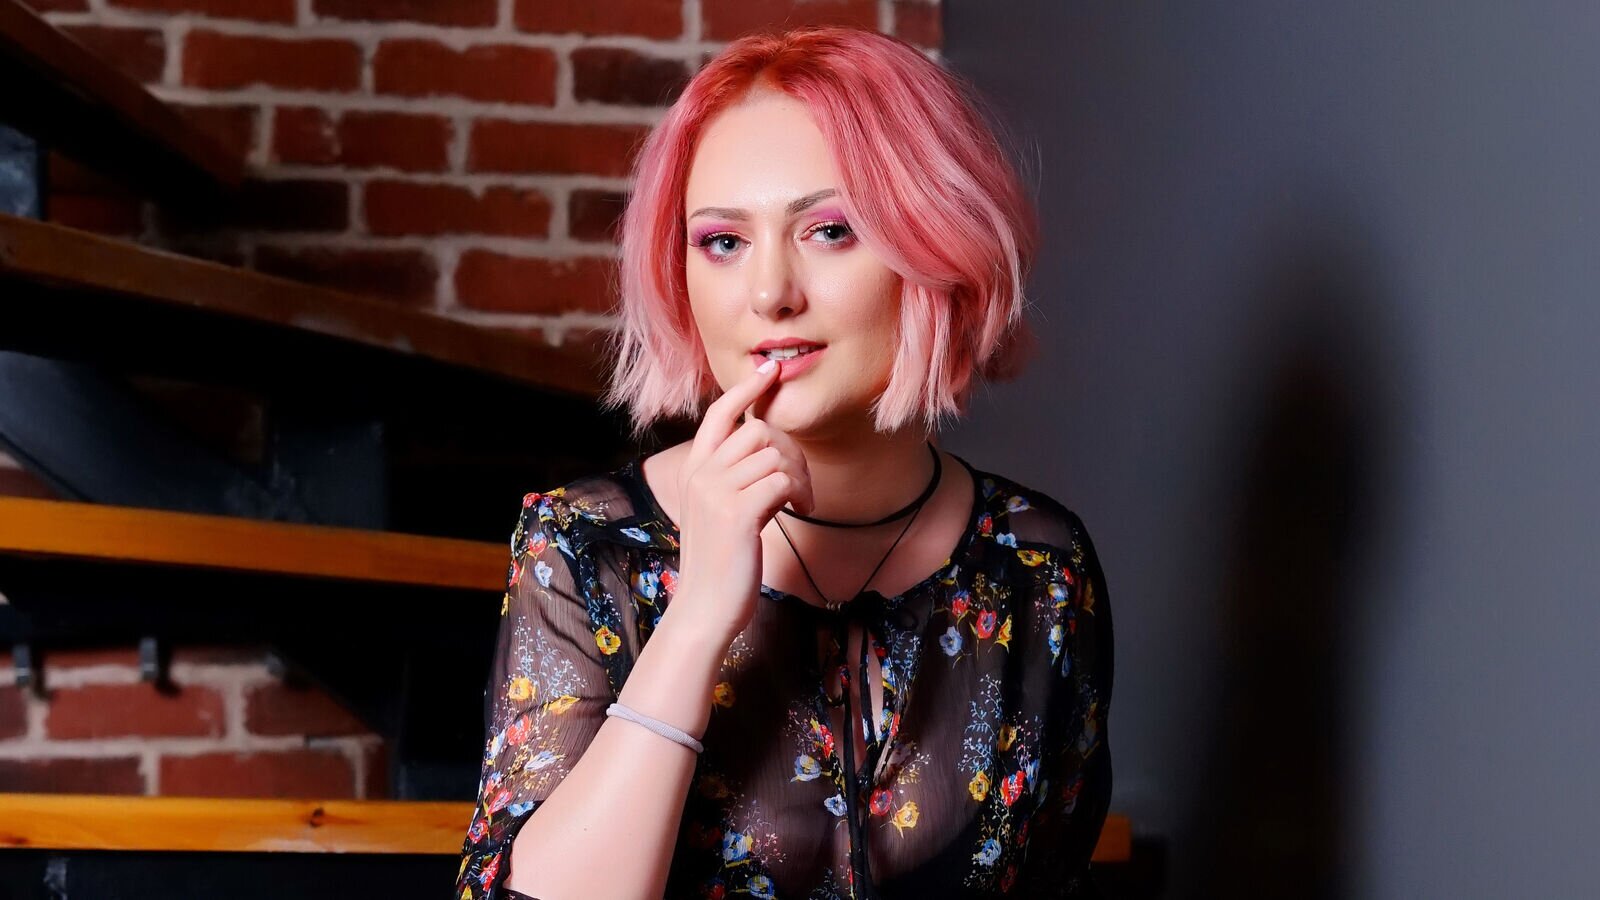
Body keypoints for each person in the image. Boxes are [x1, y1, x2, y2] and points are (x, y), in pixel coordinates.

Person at [453, 25, 1114, 900]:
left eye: (829, 230)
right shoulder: (584, 546)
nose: (769, 293)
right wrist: (697, 619)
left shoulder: (1039, 566)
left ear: (937, 244)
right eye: (723, 242)